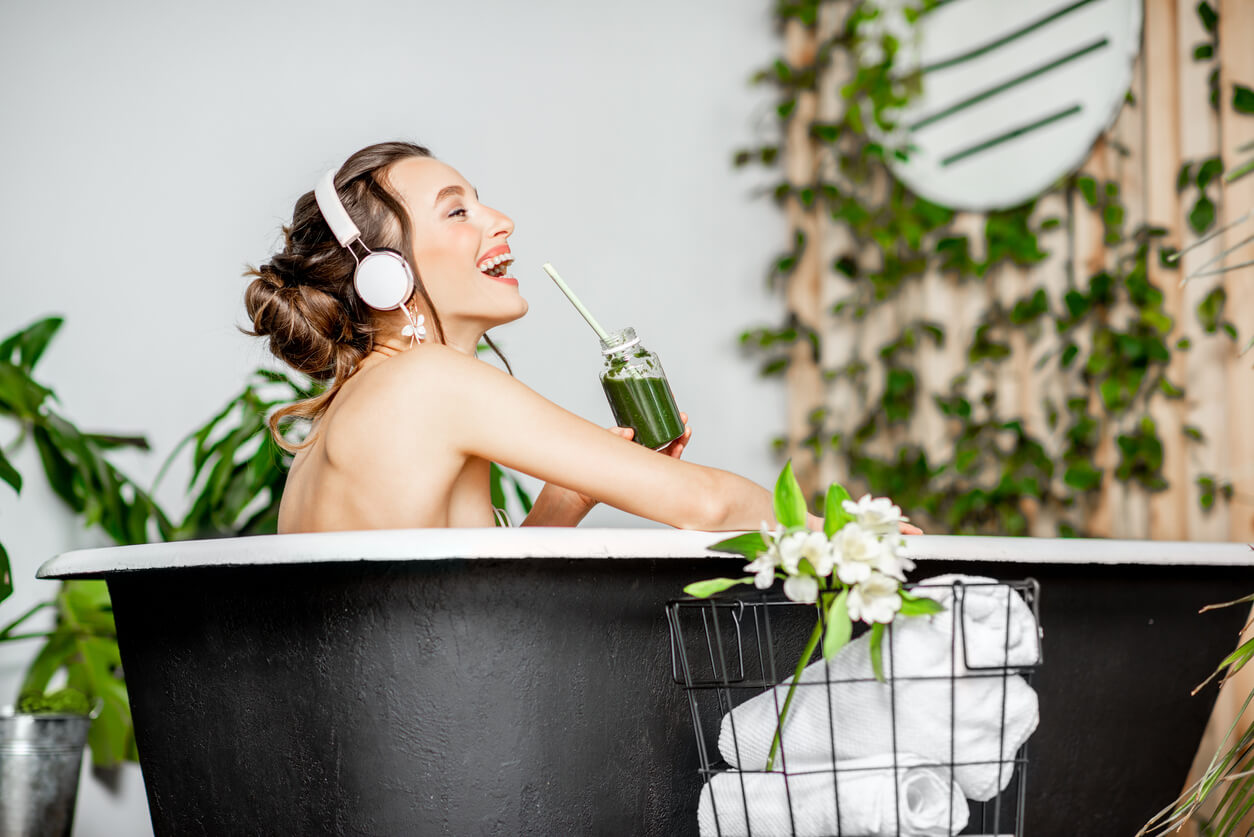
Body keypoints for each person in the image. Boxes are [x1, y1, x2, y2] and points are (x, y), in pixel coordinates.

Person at [244, 141, 919, 536]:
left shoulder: (355, 409)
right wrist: (838, 532)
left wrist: (565, 501)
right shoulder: (429, 382)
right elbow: (706, 505)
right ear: (386, 274)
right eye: (457, 211)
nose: (500, 220)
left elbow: (453, 612)